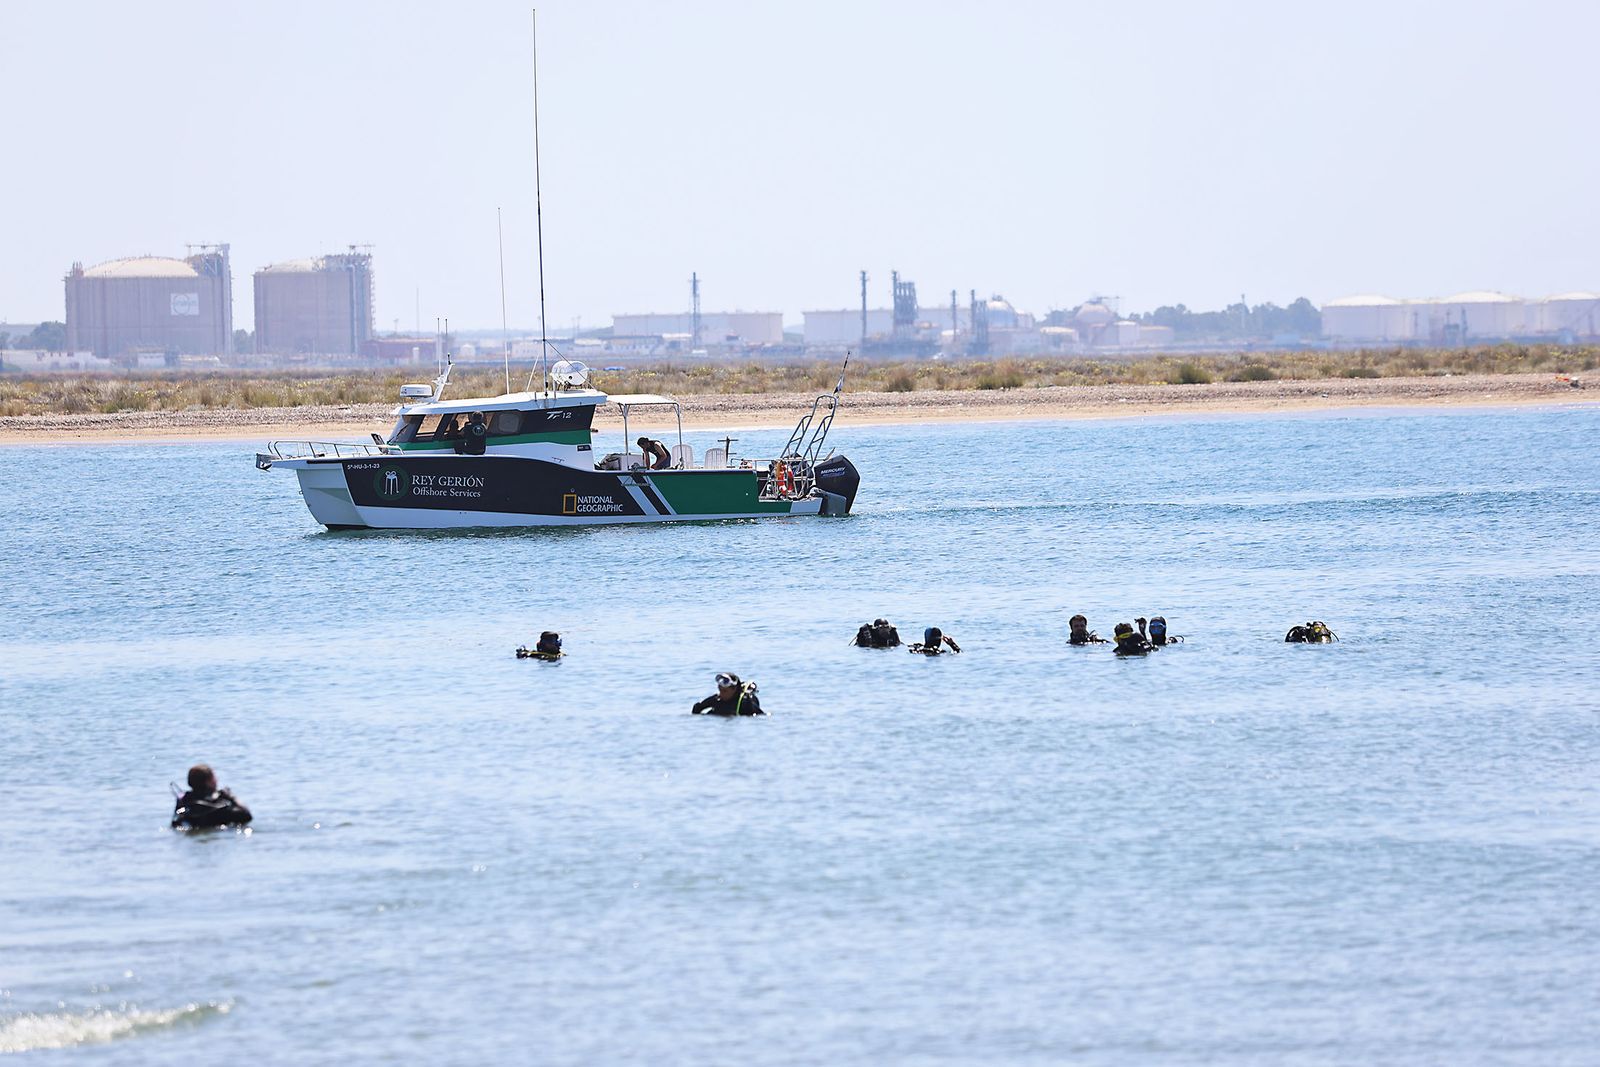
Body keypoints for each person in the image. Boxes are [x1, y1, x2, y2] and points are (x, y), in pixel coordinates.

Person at [171, 764, 252, 830]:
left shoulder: (185, 802)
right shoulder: (218, 802)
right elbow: (247, 816)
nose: (216, 780)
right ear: (209, 782)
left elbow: (175, 823)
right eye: (214, 778)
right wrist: (231, 797)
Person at [692, 672, 764, 717]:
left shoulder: (745, 703)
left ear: (734, 689)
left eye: (725, 691)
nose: (721, 694)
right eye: (720, 690)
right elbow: (697, 709)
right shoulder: (716, 700)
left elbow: (761, 716)